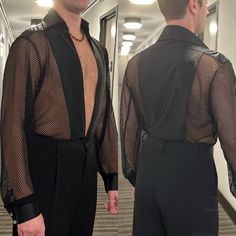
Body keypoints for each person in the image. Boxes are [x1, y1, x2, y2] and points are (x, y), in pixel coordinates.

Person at [0, 0, 118, 235]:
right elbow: (12, 125)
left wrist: (111, 177)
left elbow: (104, 116)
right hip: (45, 169)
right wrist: (24, 205)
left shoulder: (98, 49)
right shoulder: (31, 44)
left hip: (86, 169)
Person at [120, 0, 236, 235]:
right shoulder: (213, 65)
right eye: (205, 5)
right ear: (194, 4)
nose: (205, 11)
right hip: (192, 178)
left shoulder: (135, 64)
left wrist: (138, 177)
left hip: (149, 172)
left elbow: (128, 129)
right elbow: (232, 141)